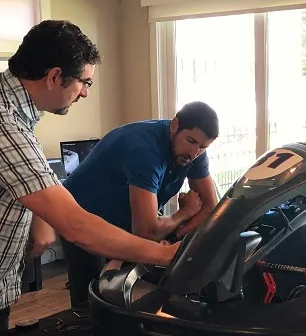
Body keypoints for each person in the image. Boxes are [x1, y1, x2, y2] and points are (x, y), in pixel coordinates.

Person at [0, 19, 179, 333]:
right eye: (84, 82)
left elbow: (29, 178)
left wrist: (40, 216)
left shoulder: (16, 112)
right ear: (55, 76)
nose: (84, 93)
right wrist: (165, 255)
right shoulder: (7, 124)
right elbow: (77, 226)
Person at [61, 102, 220, 306]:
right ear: (174, 125)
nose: (194, 153)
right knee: (89, 301)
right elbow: (146, 231)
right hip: (81, 213)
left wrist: (175, 235)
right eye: (191, 141)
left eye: (202, 147)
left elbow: (210, 206)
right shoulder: (145, 150)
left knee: (128, 291)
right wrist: (185, 213)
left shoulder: (194, 152)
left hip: (127, 217)